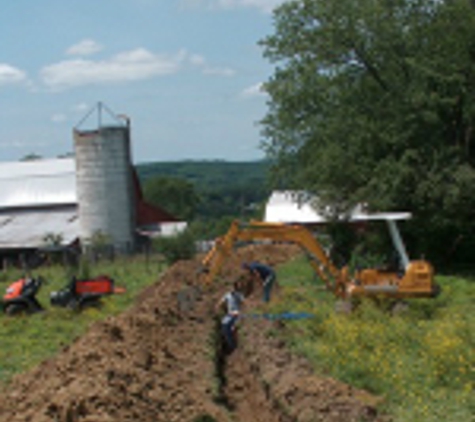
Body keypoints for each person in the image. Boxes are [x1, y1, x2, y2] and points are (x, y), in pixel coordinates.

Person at [216, 280, 245, 353]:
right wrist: (217, 307)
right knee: (224, 327)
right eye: (232, 288)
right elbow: (221, 302)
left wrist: (241, 313)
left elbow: (244, 304)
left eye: (234, 288)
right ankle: (232, 345)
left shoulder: (239, 295)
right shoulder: (227, 295)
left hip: (237, 314)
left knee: (232, 328)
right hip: (229, 315)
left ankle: (234, 346)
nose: (233, 289)